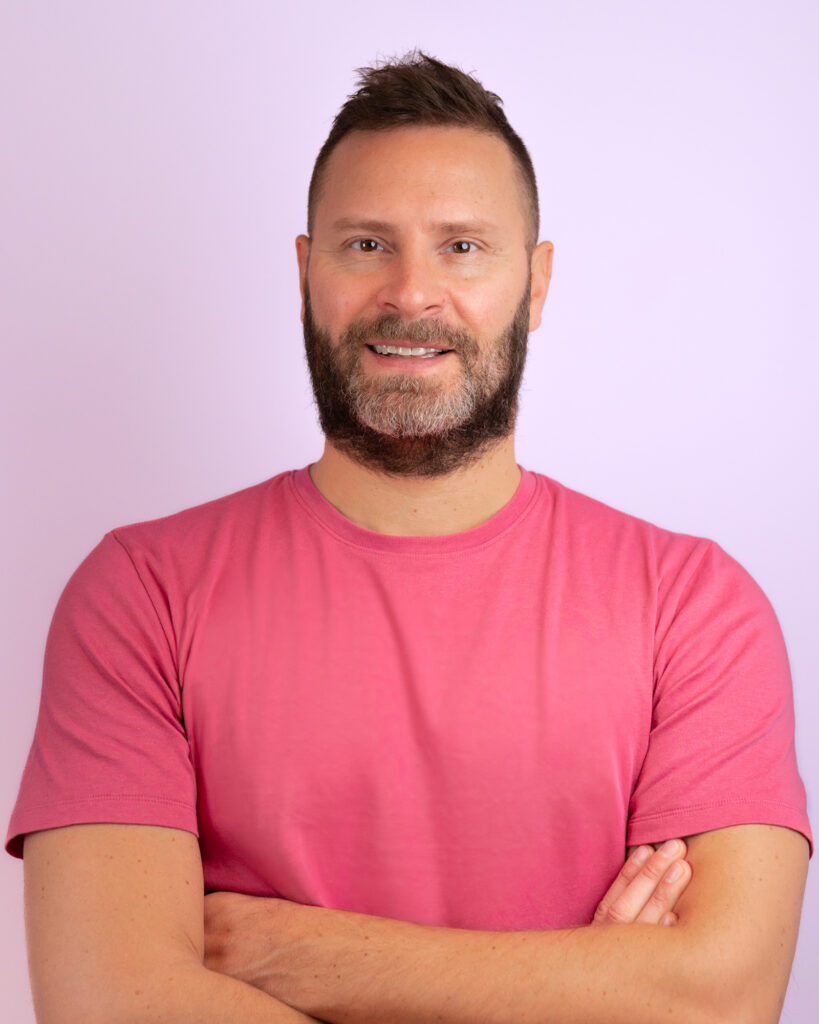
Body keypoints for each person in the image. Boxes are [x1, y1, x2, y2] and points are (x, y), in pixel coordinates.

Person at [7, 51, 811, 1024]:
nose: (412, 293)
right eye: (366, 245)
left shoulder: (694, 609)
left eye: (462, 246)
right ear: (306, 272)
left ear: (536, 283)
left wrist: (300, 955)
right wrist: (589, 986)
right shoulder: (140, 594)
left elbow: (720, 1001)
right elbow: (111, 1003)